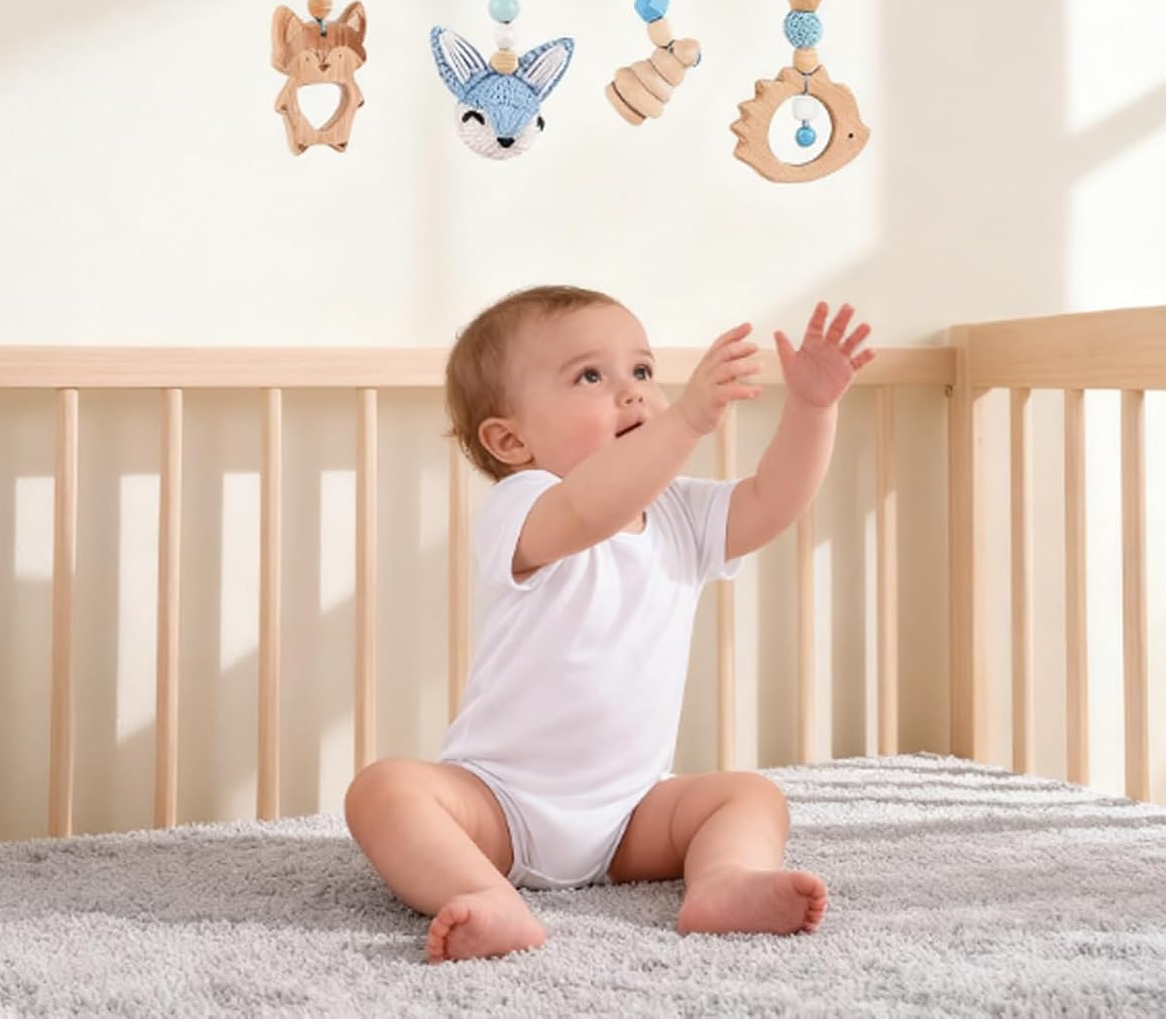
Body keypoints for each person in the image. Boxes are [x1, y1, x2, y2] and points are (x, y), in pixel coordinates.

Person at [344, 285, 874, 962]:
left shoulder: (680, 514)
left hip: (629, 818)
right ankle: (483, 893)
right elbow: (587, 512)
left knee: (750, 794)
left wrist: (813, 410)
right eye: (590, 377)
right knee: (384, 790)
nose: (632, 392)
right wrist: (686, 421)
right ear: (510, 440)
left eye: (643, 371)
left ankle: (723, 881)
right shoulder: (524, 505)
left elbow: (772, 501)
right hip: (498, 809)